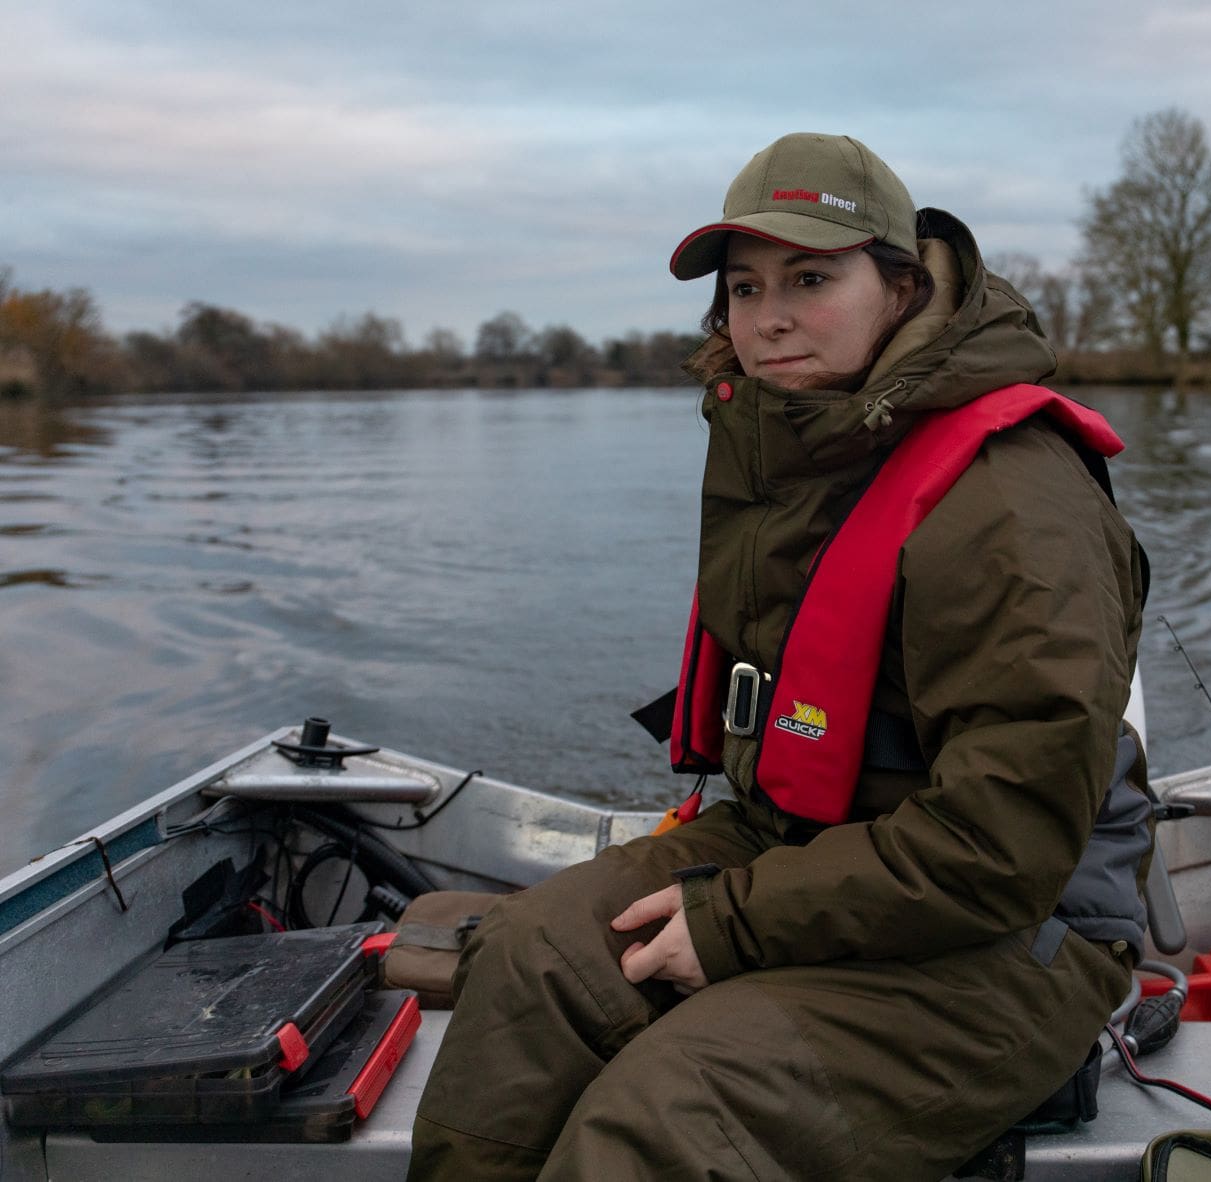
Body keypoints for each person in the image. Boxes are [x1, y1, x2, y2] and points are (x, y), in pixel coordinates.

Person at [408, 132, 1152, 1182]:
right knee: (530, 960)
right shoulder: (801, 446)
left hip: (1013, 932)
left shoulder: (1013, 504)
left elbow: (1002, 848)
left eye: (811, 278)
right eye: (744, 287)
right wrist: (746, 905)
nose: (768, 318)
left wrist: (732, 924)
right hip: (805, 846)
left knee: (674, 1111)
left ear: (903, 286)